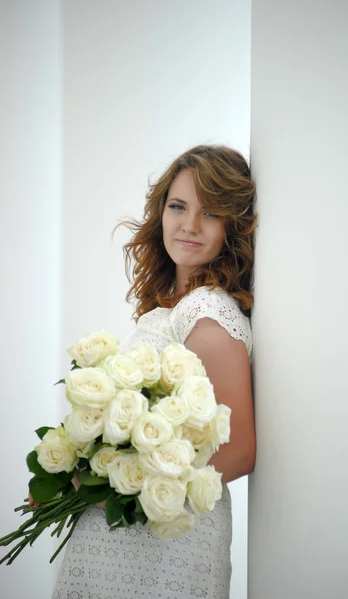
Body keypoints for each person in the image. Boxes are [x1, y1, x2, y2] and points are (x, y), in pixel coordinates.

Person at [51, 144, 257, 599]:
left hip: (162, 545)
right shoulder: (173, 307)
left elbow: (239, 450)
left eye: (211, 213)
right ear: (160, 212)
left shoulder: (207, 309)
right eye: (178, 206)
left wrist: (120, 487)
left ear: (233, 226)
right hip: (126, 539)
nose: (189, 225)